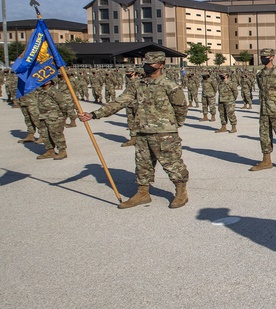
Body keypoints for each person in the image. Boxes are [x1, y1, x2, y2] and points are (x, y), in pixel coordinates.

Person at [79, 51, 189, 209]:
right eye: (146, 63)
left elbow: (181, 108)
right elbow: (120, 102)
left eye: (151, 64)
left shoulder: (169, 85)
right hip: (142, 131)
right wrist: (94, 114)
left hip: (164, 133)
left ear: (161, 65)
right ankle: (143, 193)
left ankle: (181, 192)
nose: (147, 66)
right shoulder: (137, 85)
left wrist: (173, 125)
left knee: (172, 164)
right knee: (142, 165)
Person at [34, 79, 76, 160]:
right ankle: (50, 151)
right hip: (43, 116)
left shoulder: (54, 92)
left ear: (48, 82)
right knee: (45, 134)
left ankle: (62, 151)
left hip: (54, 117)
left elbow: (63, 104)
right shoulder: (40, 91)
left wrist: (62, 116)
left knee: (56, 134)